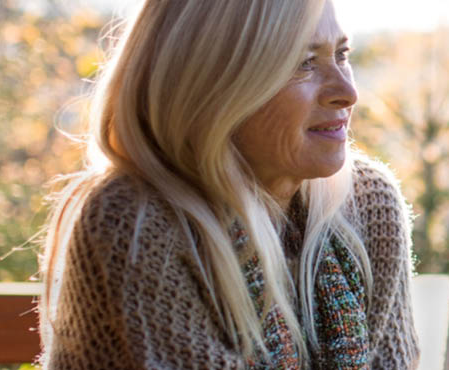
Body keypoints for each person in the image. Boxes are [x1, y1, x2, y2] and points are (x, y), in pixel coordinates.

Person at [39, 0, 420, 369]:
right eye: (304, 62)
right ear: (212, 86)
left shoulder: (368, 203)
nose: (347, 92)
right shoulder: (136, 222)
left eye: (341, 55)